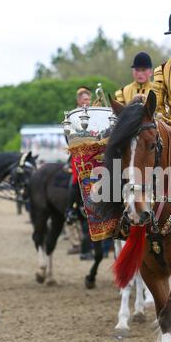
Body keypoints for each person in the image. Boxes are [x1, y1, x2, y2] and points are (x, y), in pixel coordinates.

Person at [66, 86, 93, 260]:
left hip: (95, 154)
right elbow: (69, 136)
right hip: (80, 153)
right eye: (83, 100)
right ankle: (72, 209)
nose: (86, 102)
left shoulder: (95, 115)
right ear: (79, 101)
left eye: (88, 100)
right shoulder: (73, 117)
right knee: (76, 176)